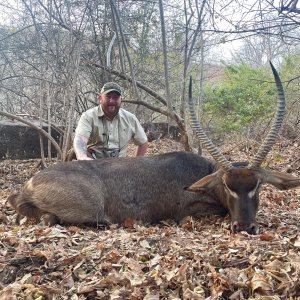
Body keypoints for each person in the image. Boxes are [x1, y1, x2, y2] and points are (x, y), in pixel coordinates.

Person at [74, 82, 148, 160]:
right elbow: (80, 139)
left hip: (120, 165)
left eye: (115, 97)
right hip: (93, 164)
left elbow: (143, 142)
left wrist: (136, 163)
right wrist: (82, 156)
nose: (111, 101)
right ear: (100, 98)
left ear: (121, 100)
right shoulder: (88, 116)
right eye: (108, 97)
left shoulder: (130, 118)